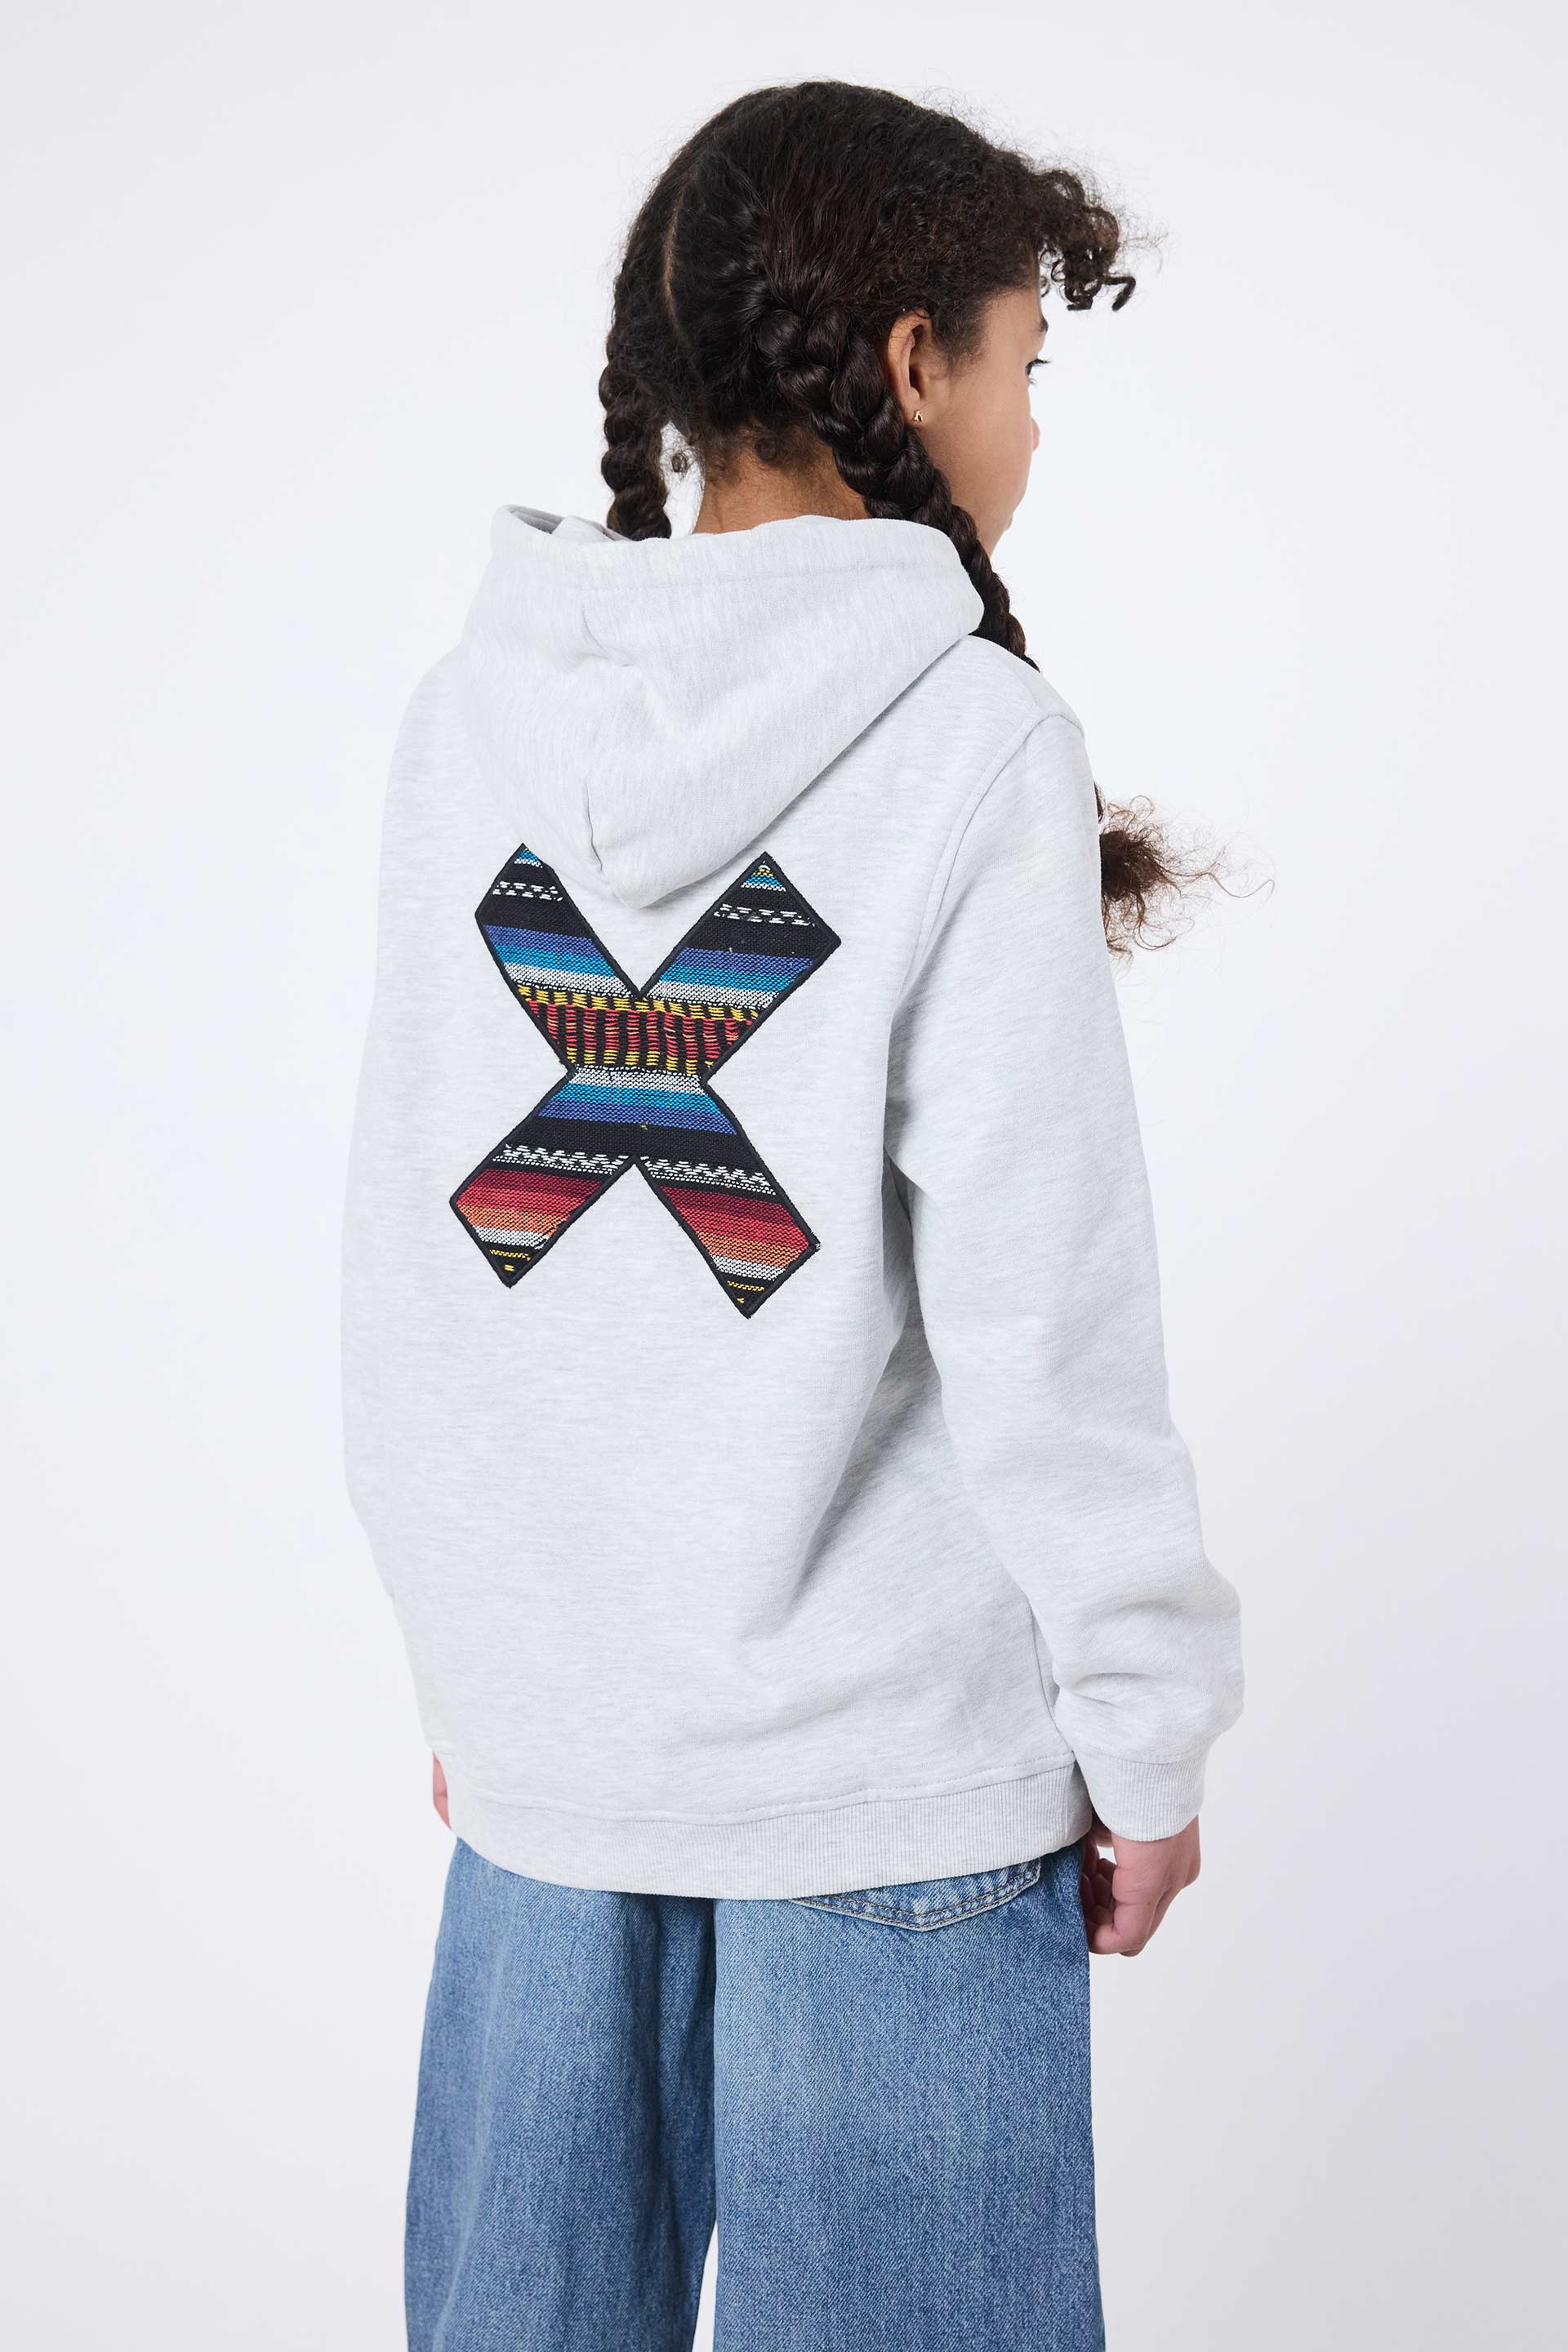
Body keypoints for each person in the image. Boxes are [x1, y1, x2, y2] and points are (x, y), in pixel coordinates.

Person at [344, 78, 1243, 2352]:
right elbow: (1048, 1318)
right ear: (914, 365)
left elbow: (421, 1270)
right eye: (1024, 361)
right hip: (895, 1798)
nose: (1032, 424)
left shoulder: (471, 721)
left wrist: (494, 1666)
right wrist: (1144, 1731)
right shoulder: (969, 746)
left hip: (551, 1794)